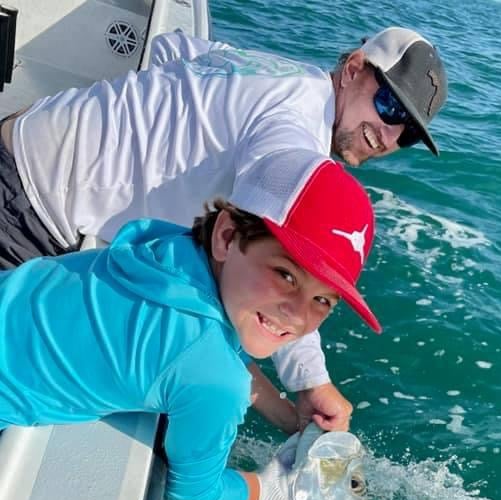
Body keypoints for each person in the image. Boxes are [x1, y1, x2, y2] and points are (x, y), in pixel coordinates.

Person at [0, 26, 447, 432]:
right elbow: (293, 262)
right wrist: (310, 382)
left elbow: (169, 46)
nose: (388, 135)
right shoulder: (294, 135)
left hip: (25, 130)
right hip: (29, 209)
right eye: (388, 104)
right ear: (352, 69)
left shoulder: (287, 75)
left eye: (406, 134)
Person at [0, 149, 380, 500]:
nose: (298, 316)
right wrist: (278, 485)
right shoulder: (213, 376)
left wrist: (286, 417)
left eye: (323, 301)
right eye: (286, 275)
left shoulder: (167, 248)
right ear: (227, 237)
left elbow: (198, 350)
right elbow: (195, 492)